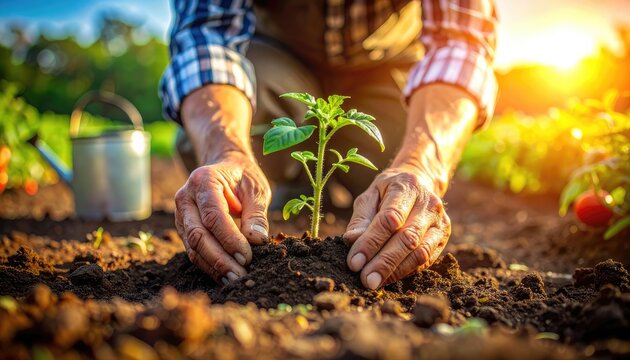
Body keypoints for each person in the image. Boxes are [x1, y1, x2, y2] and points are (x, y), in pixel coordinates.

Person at [159, 0, 497, 290]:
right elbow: (206, 35)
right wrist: (225, 151)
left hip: (387, 65)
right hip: (271, 57)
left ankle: (330, 186)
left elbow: (461, 44)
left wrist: (421, 168)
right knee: (249, 130)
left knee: (395, 172)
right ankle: (285, 183)